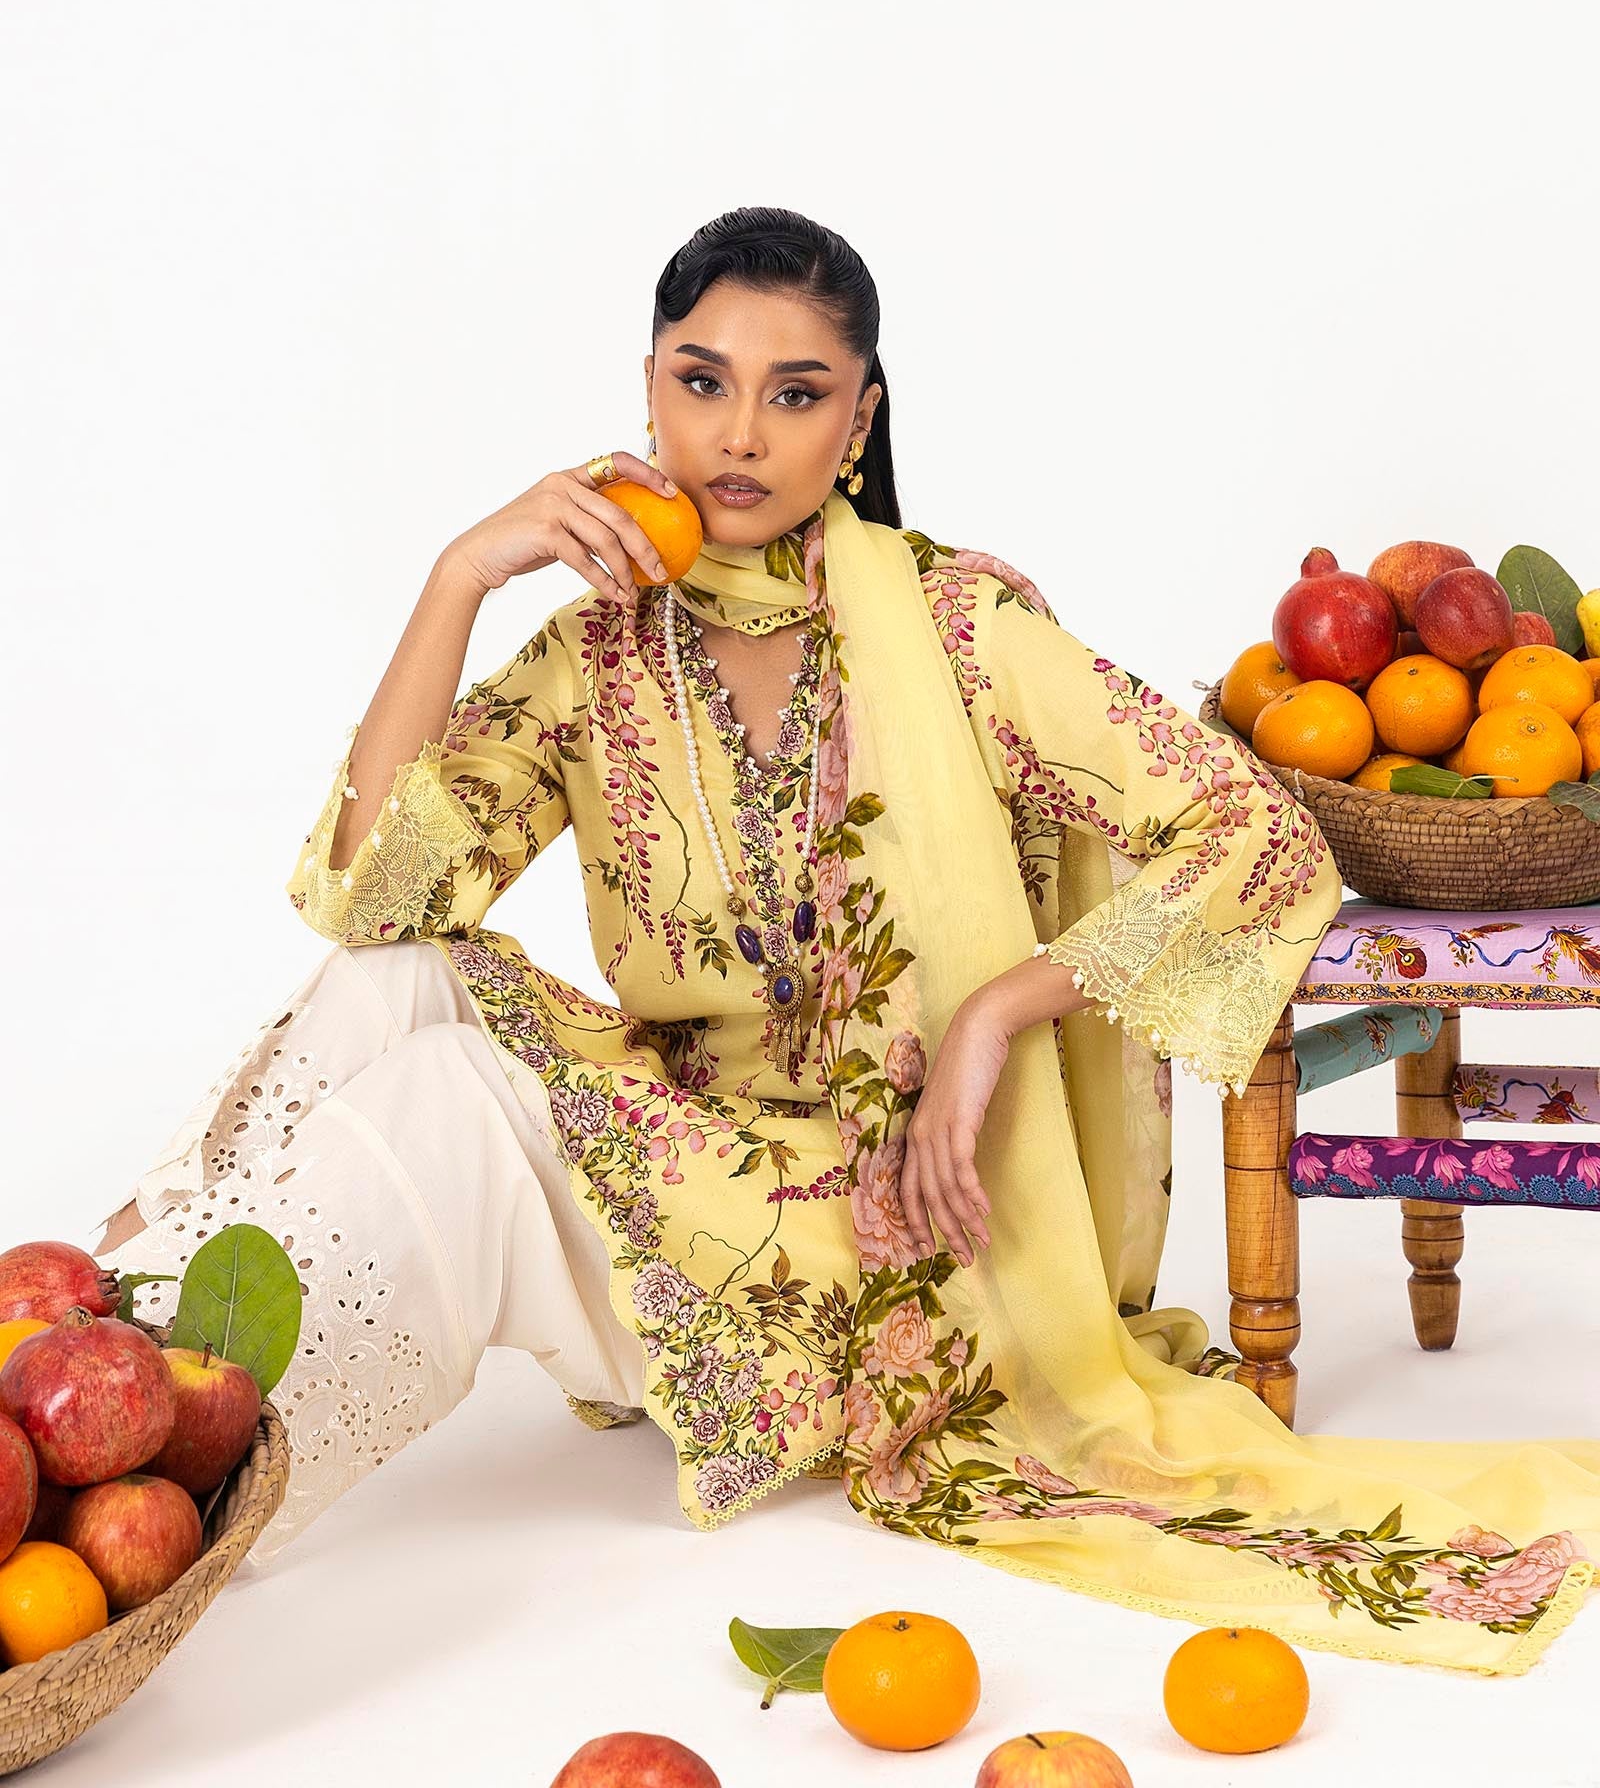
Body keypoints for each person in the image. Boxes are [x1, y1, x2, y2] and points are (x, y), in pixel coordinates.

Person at [93, 208, 1600, 1673]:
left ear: (859, 419)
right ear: (647, 392)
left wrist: (997, 1013)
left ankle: (148, 1496)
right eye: (703, 381)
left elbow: (1255, 838)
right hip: (673, 1171)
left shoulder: (953, 628)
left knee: (447, 1097)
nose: (740, 435)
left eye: (796, 393)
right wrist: (459, 576)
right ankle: (83, 1376)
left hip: (890, 1237)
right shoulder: (595, 652)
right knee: (400, 976)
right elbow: (368, 898)